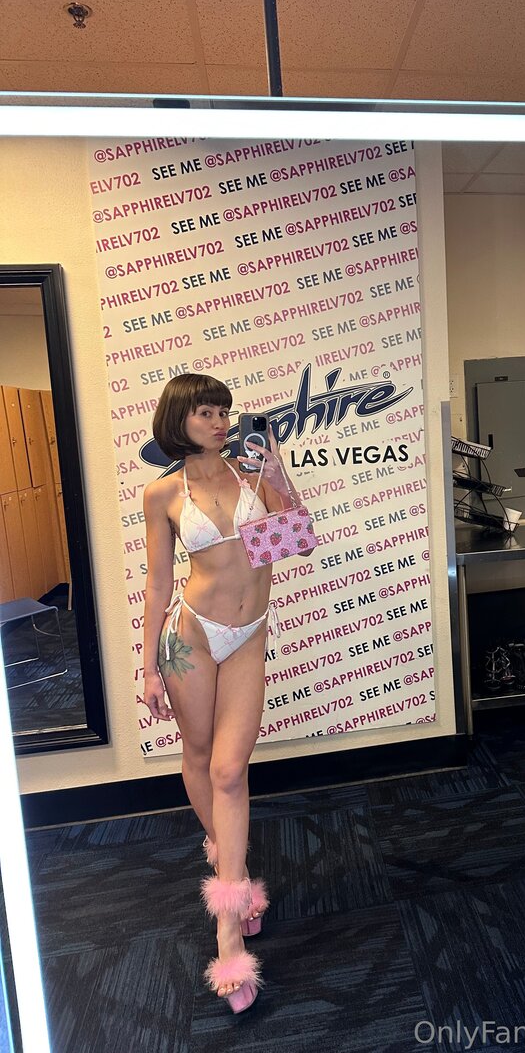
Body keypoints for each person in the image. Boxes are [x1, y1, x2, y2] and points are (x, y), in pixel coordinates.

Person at [142, 373, 308, 1013]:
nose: (219, 422)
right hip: (190, 636)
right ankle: (229, 879)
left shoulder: (252, 474)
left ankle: (229, 918)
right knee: (199, 753)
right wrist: (148, 666)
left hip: (247, 635)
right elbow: (159, 583)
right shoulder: (162, 492)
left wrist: (279, 474)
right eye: (205, 412)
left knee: (230, 771)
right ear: (179, 420)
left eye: (223, 412)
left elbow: (294, 542)